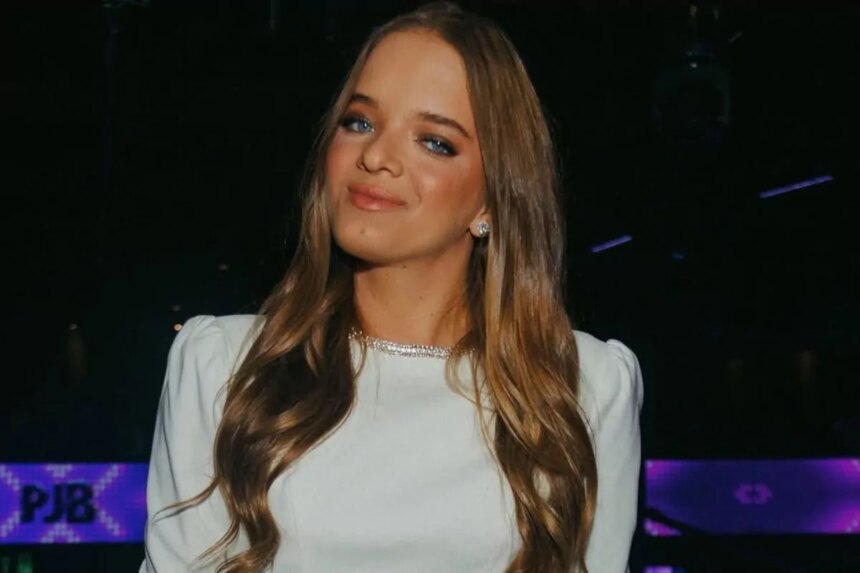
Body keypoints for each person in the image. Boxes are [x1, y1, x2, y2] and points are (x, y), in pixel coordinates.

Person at [140, 2, 643, 572]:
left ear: (492, 198)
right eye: (359, 122)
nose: (376, 156)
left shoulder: (584, 386)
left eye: (435, 141)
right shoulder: (225, 366)